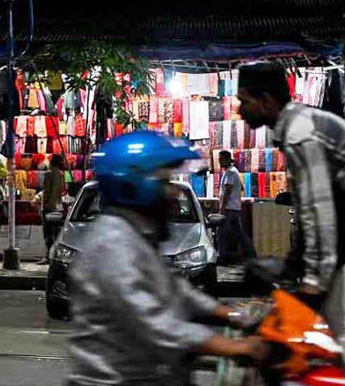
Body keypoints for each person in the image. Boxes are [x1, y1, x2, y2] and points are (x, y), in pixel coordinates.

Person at [67, 131, 266, 386]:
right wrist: (233, 347)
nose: (172, 192)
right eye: (165, 182)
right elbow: (154, 323)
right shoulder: (111, 243)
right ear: (135, 184)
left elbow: (176, 291)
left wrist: (233, 316)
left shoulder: (138, 234)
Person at [237, 61, 345, 375]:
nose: (240, 110)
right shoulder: (296, 128)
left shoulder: (301, 134)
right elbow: (310, 215)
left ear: (266, 102)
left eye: (244, 100)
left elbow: (322, 216)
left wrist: (312, 285)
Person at [217, 150, 257, 262]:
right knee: (238, 233)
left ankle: (221, 256)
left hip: (229, 208)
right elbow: (242, 188)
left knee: (222, 233)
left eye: (221, 160)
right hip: (234, 207)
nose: (219, 162)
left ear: (227, 159)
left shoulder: (230, 172)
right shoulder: (234, 171)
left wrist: (222, 208)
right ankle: (250, 253)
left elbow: (228, 191)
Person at [38, 154, 65, 265]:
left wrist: (43, 206)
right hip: (58, 206)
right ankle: (56, 256)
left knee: (48, 233)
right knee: (57, 232)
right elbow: (62, 191)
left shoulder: (48, 174)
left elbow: (46, 192)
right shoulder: (61, 174)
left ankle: (48, 256)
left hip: (49, 207)